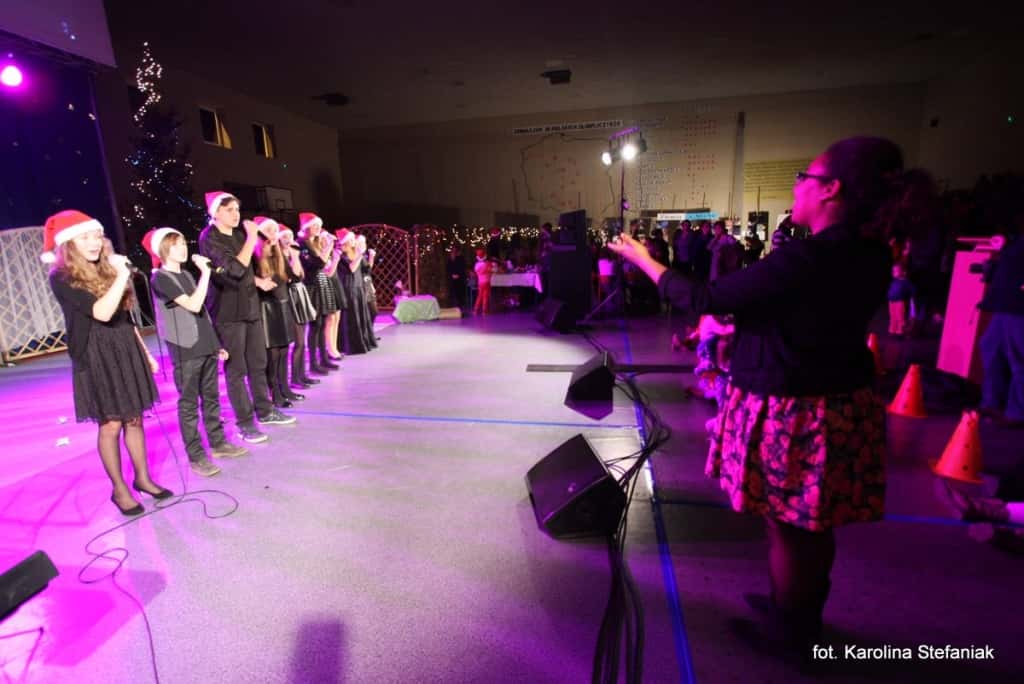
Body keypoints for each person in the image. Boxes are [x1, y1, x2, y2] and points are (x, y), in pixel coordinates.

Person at [610, 137, 935, 658]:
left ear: (831, 189)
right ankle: (795, 610)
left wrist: (643, 260)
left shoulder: (809, 256)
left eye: (806, 177)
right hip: (836, 399)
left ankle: (792, 633)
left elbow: (704, 297)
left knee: (789, 527)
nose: (797, 186)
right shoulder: (868, 252)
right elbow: (802, 316)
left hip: (795, 406)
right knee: (810, 524)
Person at [44, 210, 171, 514]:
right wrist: (122, 275)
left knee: (135, 418)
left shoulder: (107, 268)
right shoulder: (62, 276)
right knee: (111, 422)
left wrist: (144, 353)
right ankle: (119, 489)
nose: (94, 243)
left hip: (124, 346)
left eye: (97, 236)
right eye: (85, 237)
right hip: (95, 352)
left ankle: (143, 479)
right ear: (69, 244)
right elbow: (101, 312)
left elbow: (125, 317)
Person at [145, 227, 249, 476]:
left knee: (211, 398)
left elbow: (202, 314)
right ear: (163, 249)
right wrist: (205, 273)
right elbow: (193, 304)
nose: (183, 248)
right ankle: (196, 456)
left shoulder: (187, 275)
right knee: (189, 405)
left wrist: (216, 344)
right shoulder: (160, 278)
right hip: (185, 349)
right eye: (176, 244)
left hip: (205, 345)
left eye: (183, 243)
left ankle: (218, 443)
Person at [198, 191, 295, 444]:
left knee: (258, 362)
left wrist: (259, 281)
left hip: (250, 307)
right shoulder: (209, 237)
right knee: (237, 370)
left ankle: (265, 411)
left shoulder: (239, 235)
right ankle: (245, 423)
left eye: (237, 209)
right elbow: (234, 269)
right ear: (216, 212)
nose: (236, 214)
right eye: (229, 209)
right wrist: (253, 237)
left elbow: (246, 272)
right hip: (228, 312)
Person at [253, 217, 302, 409]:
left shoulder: (278, 254)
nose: (273, 234)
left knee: (283, 350)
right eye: (269, 230)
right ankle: (275, 393)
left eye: (275, 230)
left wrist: (294, 256)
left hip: (282, 306)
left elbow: (295, 276)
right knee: (272, 355)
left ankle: (285, 389)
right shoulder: (255, 256)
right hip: (266, 309)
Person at [978, 230, 1024, 428]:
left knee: (1018, 357)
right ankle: (992, 403)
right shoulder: (1018, 239)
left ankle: (1017, 412)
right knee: (990, 348)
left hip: (1018, 306)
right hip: (1004, 303)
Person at [298, 212, 341, 375]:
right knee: (315, 326)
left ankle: (323, 359)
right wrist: (329, 246)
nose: (318, 228)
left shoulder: (315, 243)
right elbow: (316, 264)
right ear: (306, 227)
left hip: (321, 286)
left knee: (322, 324)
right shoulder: (302, 244)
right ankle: (313, 363)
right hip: (311, 288)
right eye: (314, 225)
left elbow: (324, 266)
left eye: (319, 225)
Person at [278, 226, 319, 390]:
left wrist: (295, 257)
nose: (289, 239)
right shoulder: (280, 256)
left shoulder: (292, 254)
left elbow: (301, 274)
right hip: (290, 298)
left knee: (302, 341)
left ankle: (301, 375)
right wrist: (294, 257)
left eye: (290, 236)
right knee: (299, 341)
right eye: (285, 237)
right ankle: (295, 378)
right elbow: (292, 276)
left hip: (299, 295)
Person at [336, 229, 377, 354]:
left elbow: (367, 269)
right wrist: (360, 254)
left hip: (359, 287)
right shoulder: (341, 254)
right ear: (346, 242)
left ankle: (364, 341)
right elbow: (351, 269)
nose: (354, 241)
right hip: (348, 288)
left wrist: (370, 257)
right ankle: (351, 346)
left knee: (361, 316)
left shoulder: (356, 253)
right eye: (352, 239)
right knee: (351, 318)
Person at [887, 262, 915, 337]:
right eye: (893, 271)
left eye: (896, 271)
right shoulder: (894, 281)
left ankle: (900, 332)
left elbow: (912, 291)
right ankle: (892, 330)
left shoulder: (906, 282)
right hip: (891, 302)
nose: (893, 272)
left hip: (900, 302)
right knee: (893, 316)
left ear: (904, 272)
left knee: (900, 317)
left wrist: (911, 300)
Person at [473, 248, 494, 315]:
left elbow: (476, 272)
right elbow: (492, 270)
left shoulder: (476, 265)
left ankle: (476, 310)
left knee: (479, 296)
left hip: (480, 282)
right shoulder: (487, 264)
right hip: (486, 281)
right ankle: (484, 311)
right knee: (485, 296)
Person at [446, 246, 467, 310]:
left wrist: (458, 275)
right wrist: (452, 275)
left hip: (460, 278)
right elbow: (448, 268)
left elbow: (462, 268)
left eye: (455, 251)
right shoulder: (449, 259)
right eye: (453, 251)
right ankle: (453, 304)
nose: (454, 252)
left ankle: (461, 305)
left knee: (460, 292)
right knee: (453, 291)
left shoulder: (461, 258)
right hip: (452, 278)